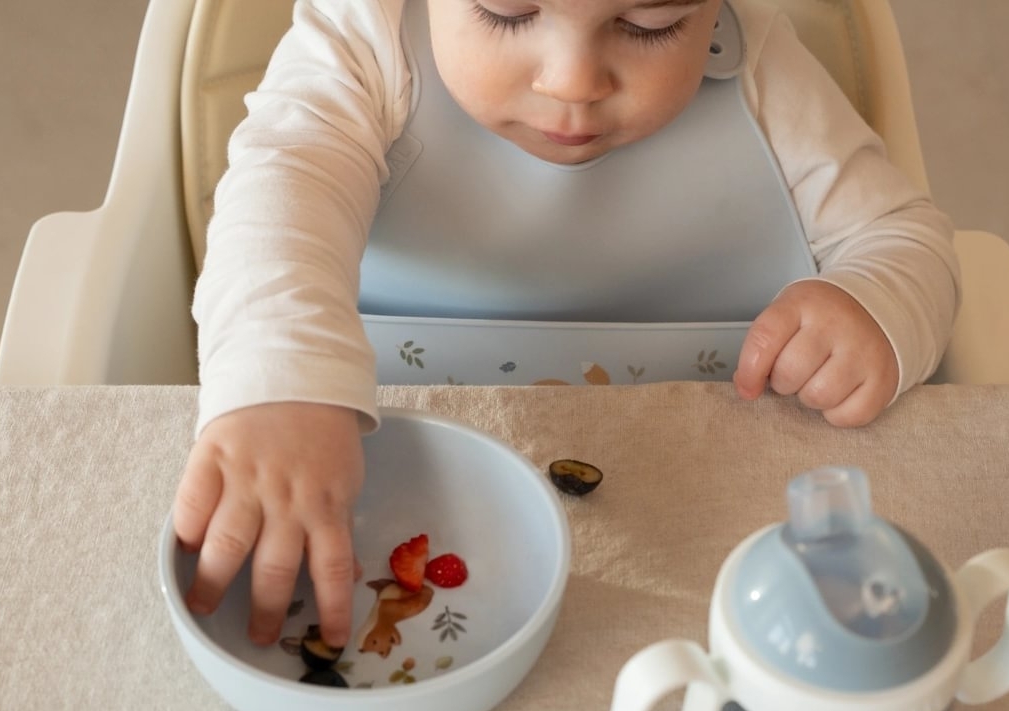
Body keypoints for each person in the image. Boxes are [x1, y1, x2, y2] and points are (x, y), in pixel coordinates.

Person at [172, 0, 960, 652]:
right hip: (401, 491)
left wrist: (872, 303)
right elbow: (279, 188)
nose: (573, 82)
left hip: (705, 539)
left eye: (650, 24)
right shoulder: (366, 40)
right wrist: (280, 378)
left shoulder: (763, 68)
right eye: (508, 13)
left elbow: (904, 241)